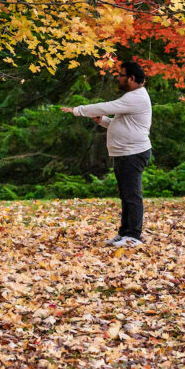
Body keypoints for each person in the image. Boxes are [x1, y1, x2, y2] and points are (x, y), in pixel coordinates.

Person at [62, 59, 152, 246]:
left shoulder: (136, 96)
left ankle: (134, 236)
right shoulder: (132, 97)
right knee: (126, 195)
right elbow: (120, 122)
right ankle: (125, 232)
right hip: (124, 153)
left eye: (121, 75)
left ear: (132, 78)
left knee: (132, 195)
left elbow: (106, 106)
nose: (117, 78)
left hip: (133, 153)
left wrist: (78, 110)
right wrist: (103, 121)